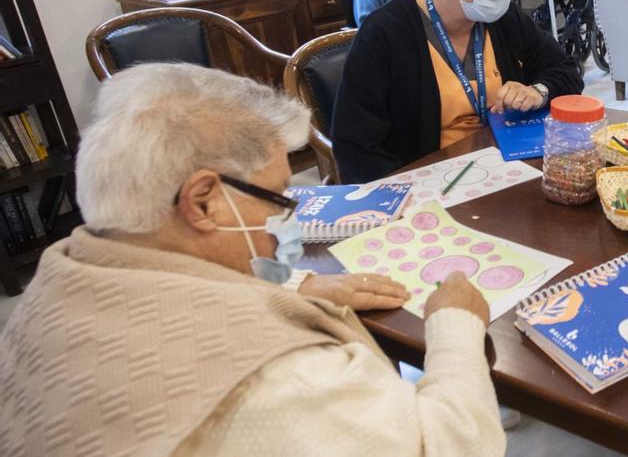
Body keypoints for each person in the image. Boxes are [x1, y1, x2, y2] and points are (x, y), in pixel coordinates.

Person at [0, 63, 506, 455]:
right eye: (281, 196)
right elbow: (451, 444)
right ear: (202, 202)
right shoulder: (282, 380)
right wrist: (455, 327)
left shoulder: (57, 279)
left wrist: (287, 286)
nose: (289, 216)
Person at [332, 0, 584, 184]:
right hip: (426, 185)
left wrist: (537, 91)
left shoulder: (502, 19)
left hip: (505, 171)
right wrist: (411, 195)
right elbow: (354, 148)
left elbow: (566, 71)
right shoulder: (386, 33)